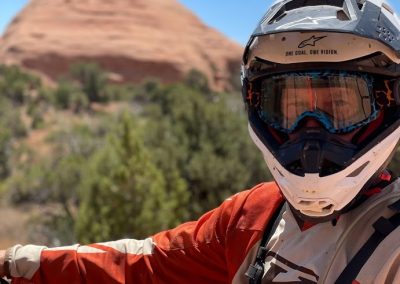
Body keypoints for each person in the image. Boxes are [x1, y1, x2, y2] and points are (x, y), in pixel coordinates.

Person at [1, 0, 400, 283]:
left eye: (342, 106)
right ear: (257, 107)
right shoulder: (255, 215)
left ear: (388, 103)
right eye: (290, 106)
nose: (311, 129)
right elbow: (147, 265)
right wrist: (16, 263)